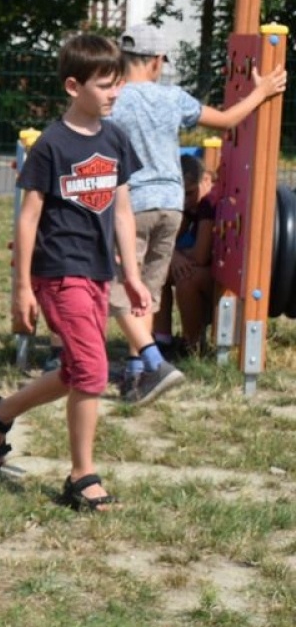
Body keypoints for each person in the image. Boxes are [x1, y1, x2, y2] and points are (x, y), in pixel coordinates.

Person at [0, 33, 148, 512]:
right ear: (74, 86)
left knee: (75, 371)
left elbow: (124, 212)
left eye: (118, 84)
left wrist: (132, 275)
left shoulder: (115, 138)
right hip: (58, 272)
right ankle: (81, 476)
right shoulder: (51, 144)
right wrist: (22, 288)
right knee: (92, 371)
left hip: (98, 273)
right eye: (106, 85)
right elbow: (28, 218)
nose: (115, 93)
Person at [107, 24, 286, 404]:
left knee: (125, 286)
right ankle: (140, 368)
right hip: (171, 205)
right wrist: (261, 92)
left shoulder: (114, 99)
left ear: (122, 60)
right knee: (148, 289)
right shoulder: (172, 97)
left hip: (131, 204)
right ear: (157, 62)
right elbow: (226, 120)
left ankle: (144, 364)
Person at [157, 155, 217, 355]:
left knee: (186, 279)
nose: (184, 200)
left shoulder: (209, 202)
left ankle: (192, 346)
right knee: (159, 270)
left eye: (189, 193)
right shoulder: (193, 205)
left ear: (206, 179)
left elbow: (201, 256)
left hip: (221, 279)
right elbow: (165, 244)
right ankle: (161, 338)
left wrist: (178, 255)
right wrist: (174, 256)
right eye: (179, 194)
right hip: (207, 271)